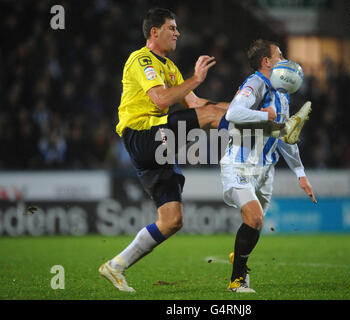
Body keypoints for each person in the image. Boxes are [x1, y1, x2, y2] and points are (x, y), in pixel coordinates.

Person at [98, 7, 229, 292]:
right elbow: (159, 100)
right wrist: (194, 80)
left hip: (157, 147)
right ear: (154, 32)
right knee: (212, 118)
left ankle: (116, 265)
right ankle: (248, 155)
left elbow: (197, 105)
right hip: (143, 135)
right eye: (172, 27)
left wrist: (243, 107)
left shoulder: (169, 68)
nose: (178, 32)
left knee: (172, 220)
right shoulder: (141, 59)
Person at [219, 39, 316, 293]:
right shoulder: (255, 84)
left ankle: (239, 256)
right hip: (240, 165)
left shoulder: (282, 95)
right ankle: (237, 280)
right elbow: (233, 113)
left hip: (265, 170)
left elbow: (284, 137)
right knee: (254, 217)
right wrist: (265, 116)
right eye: (279, 55)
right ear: (267, 61)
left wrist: (300, 174)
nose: (284, 59)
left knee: (256, 225)